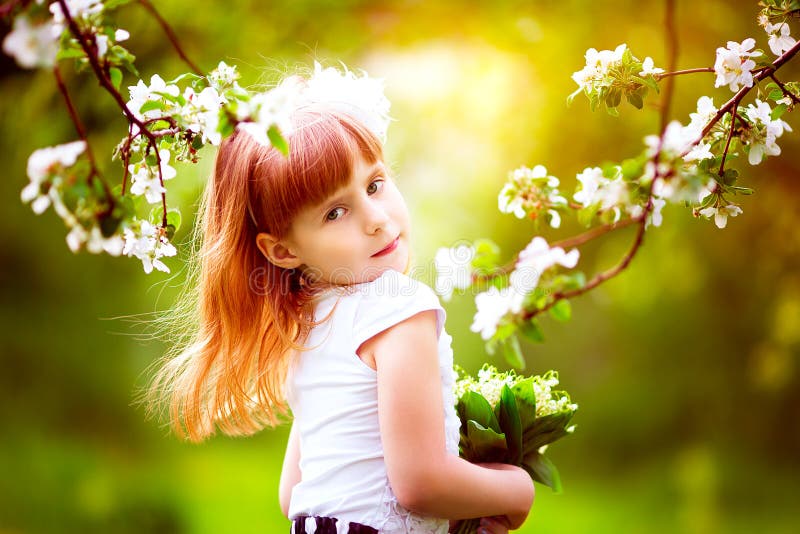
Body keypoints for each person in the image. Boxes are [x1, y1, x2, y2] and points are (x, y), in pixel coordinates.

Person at [144, 63, 534, 534]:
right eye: (335, 212)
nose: (375, 218)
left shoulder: (310, 323)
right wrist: (515, 489)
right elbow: (420, 484)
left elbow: (296, 494)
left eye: (374, 184)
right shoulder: (399, 307)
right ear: (282, 251)